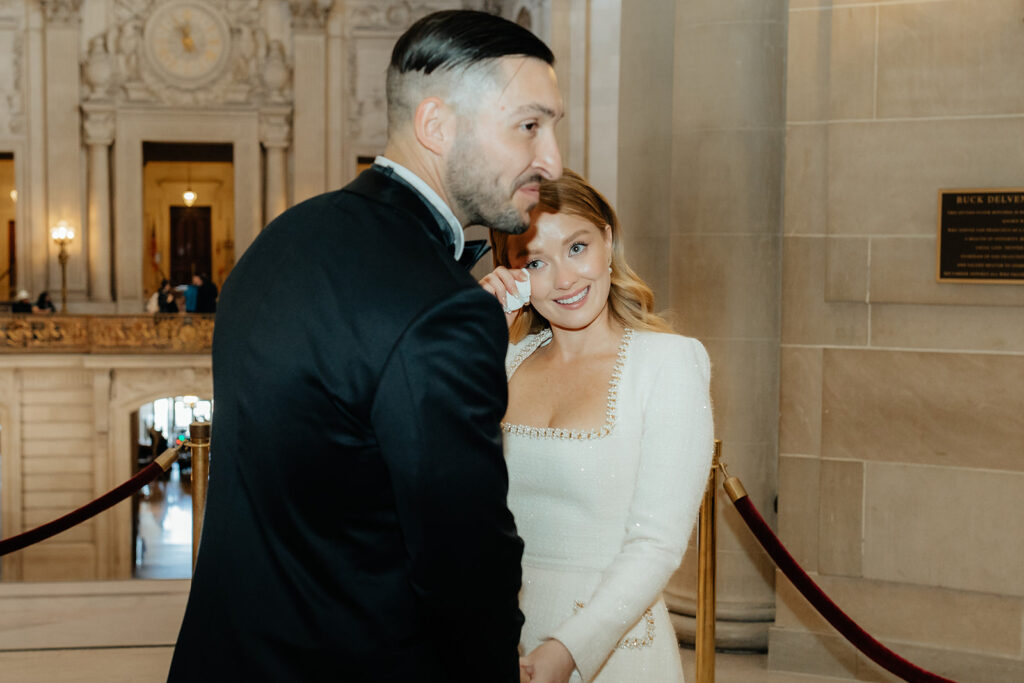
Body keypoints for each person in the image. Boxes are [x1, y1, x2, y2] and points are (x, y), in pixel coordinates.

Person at [169, 10, 562, 682]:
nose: (551, 160)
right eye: (530, 125)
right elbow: (464, 566)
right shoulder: (443, 311)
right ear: (436, 125)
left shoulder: (280, 241)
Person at [480, 170, 714, 683]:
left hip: (615, 650)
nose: (564, 280)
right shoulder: (502, 363)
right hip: (502, 640)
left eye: (578, 247)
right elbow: (448, 495)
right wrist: (478, 343)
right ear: (511, 275)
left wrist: (568, 650)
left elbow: (657, 543)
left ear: (608, 240)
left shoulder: (668, 363)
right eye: (536, 262)